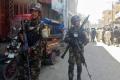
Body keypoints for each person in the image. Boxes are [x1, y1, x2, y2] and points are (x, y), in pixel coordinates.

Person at [64, 15, 89, 80]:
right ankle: (70, 78)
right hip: (72, 50)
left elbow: (87, 40)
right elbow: (65, 39)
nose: (78, 22)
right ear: (73, 22)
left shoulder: (82, 30)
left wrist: (82, 43)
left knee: (79, 65)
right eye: (76, 21)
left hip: (79, 50)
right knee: (71, 66)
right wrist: (71, 40)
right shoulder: (70, 30)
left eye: (78, 21)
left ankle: (79, 77)